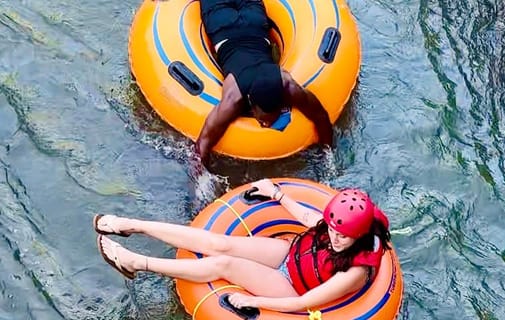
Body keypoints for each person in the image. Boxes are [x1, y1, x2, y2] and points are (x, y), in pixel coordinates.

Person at [93, 179, 390, 312]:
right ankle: (133, 225)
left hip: (294, 287)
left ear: (359, 236)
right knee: (219, 243)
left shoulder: (355, 271)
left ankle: (137, 263)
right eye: (333, 231)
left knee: (225, 264)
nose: (335, 238)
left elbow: (303, 303)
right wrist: (277, 194)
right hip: (291, 255)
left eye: (343, 236)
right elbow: (309, 218)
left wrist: (255, 302)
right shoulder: (336, 226)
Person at [194, 0, 334, 164]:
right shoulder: (233, 98)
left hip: (245, 21)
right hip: (227, 23)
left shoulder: (288, 86)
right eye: (264, 120)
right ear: (251, 103)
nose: (265, 124)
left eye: (267, 121)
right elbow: (202, 145)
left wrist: (327, 156)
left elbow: (321, 116)